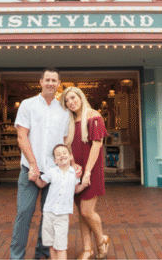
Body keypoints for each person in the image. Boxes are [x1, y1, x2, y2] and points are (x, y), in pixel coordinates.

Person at [10, 68, 73, 260]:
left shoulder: (63, 110)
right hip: (30, 171)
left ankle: (42, 254)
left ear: (58, 83)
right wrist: (33, 164)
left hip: (54, 173)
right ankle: (16, 256)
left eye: (54, 80)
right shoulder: (28, 105)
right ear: (40, 82)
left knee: (50, 217)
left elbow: (64, 143)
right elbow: (22, 137)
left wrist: (72, 164)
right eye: (47, 79)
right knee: (24, 214)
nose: (50, 83)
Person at [60, 86, 110, 260]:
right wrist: (73, 165)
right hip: (76, 170)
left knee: (87, 210)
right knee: (81, 211)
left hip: (92, 168)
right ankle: (87, 250)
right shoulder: (70, 121)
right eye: (66, 101)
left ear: (81, 97)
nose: (70, 102)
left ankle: (101, 240)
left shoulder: (93, 116)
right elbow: (68, 147)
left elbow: (97, 144)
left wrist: (87, 171)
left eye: (73, 98)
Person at [38, 143, 88, 260]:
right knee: (51, 244)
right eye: (58, 155)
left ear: (71, 157)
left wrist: (83, 185)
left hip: (62, 214)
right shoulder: (52, 172)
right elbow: (41, 183)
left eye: (65, 153)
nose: (62, 156)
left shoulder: (74, 174)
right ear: (55, 160)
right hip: (49, 212)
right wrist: (35, 178)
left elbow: (76, 190)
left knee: (60, 246)